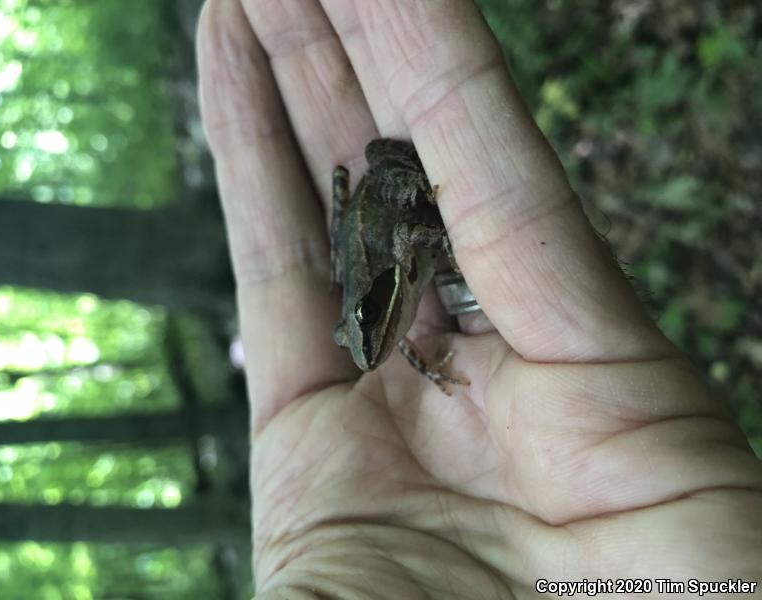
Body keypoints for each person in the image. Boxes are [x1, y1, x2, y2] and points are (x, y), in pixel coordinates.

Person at [196, 0, 762, 596]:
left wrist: (450, 233)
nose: (365, 346)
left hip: (380, 200)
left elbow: (417, 233)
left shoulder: (397, 279)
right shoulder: (391, 327)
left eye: (361, 327)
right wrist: (431, 368)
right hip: (368, 242)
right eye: (354, 336)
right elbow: (402, 341)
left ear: (375, 307)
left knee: (392, 167)